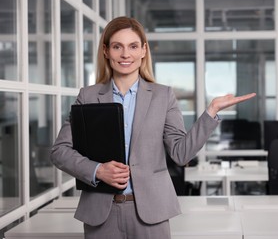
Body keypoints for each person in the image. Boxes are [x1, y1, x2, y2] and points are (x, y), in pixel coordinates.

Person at [51, 16, 256, 239]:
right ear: (106, 51)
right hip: (101, 214)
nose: (125, 54)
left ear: (143, 51)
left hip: (151, 214)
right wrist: (97, 170)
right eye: (117, 46)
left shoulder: (163, 96)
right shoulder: (88, 96)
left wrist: (211, 112)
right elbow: (60, 152)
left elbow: (181, 153)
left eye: (133, 46)